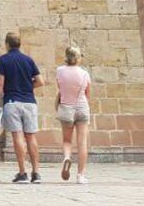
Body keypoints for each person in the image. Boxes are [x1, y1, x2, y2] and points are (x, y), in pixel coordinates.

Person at [0, 32, 43, 184]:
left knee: (17, 136)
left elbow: (0, 83)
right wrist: (28, 86)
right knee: (31, 137)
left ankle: (23, 173)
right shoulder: (28, 60)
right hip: (29, 102)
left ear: (7, 44)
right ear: (19, 44)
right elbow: (40, 81)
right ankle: (36, 173)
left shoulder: (4, 60)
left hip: (12, 101)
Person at [55, 46, 91, 185]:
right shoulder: (84, 74)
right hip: (82, 107)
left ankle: (67, 157)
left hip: (66, 107)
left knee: (67, 140)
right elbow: (88, 93)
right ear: (78, 58)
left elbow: (60, 88)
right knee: (82, 143)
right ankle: (81, 175)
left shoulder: (59, 71)